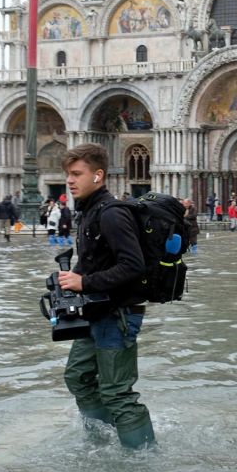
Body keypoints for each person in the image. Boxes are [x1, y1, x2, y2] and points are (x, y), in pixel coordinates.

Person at [58, 143, 155, 449]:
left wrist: (84, 282)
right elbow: (95, 262)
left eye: (77, 174)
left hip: (119, 315)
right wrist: (69, 281)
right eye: (68, 175)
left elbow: (133, 265)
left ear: (98, 175)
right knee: (77, 377)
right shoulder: (88, 212)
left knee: (117, 391)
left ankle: (142, 456)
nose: (70, 181)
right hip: (95, 311)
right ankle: (103, 441)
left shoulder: (112, 214)